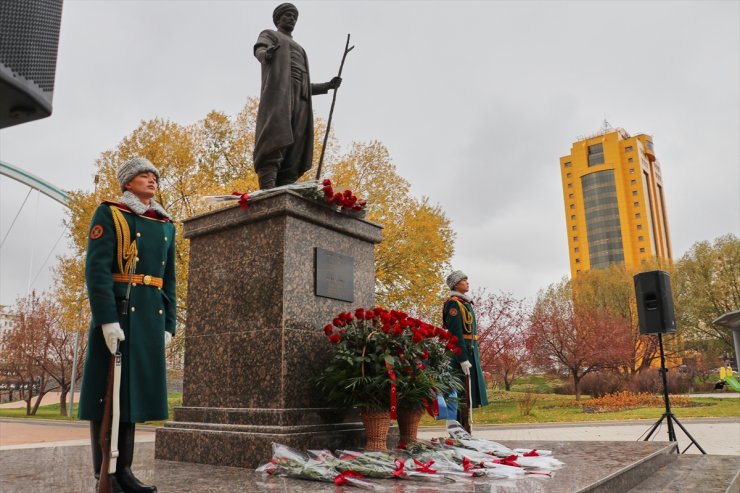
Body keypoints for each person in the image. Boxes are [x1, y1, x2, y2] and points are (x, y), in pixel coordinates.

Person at [78, 157, 176, 493]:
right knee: (107, 395)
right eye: (144, 176)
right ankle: (104, 472)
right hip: (119, 314)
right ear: (128, 183)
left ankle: (125, 472)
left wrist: (169, 323)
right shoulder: (111, 214)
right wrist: (106, 320)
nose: (151, 180)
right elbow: (97, 271)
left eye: (154, 176)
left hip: (149, 318)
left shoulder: (165, 223)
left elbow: (169, 279)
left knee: (132, 398)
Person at [253, 3, 342, 189]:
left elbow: (303, 85)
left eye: (294, 16)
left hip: (300, 98)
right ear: (278, 19)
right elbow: (259, 49)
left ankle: (286, 185)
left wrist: (327, 85)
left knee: (298, 139)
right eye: (287, 15)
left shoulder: (301, 50)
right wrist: (265, 55)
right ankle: (268, 187)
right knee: (276, 134)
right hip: (279, 94)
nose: (292, 19)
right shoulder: (271, 34)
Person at [443, 270, 488, 433]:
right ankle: (457, 429)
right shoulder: (454, 304)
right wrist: (461, 358)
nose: (467, 283)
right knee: (460, 394)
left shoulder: (465, 303)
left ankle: (464, 428)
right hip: (461, 354)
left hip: (470, 351)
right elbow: (455, 334)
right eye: (464, 280)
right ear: (456, 284)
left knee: (466, 395)